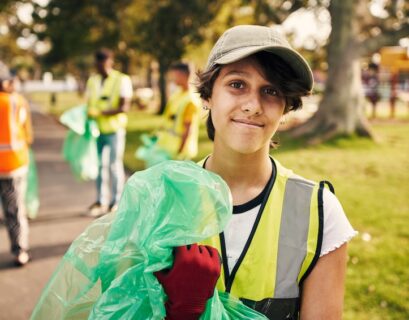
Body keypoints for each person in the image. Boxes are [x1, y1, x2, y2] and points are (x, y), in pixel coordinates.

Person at [154, 25, 357, 319]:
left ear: (286, 107)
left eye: (271, 91)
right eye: (237, 84)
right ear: (208, 96)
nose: (253, 106)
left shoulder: (320, 212)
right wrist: (181, 310)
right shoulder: (165, 199)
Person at [86, 48, 133, 217]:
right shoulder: (93, 80)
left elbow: (124, 107)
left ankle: (116, 201)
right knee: (99, 166)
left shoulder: (122, 80)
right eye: (98, 64)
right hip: (97, 131)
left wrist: (101, 113)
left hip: (115, 130)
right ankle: (101, 200)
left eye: (104, 64)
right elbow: (89, 103)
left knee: (114, 165)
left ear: (110, 63)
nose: (101, 67)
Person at [0, 72, 33, 266]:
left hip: (10, 163)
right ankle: (20, 250)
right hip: (13, 164)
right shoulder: (16, 101)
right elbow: (28, 134)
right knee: (14, 210)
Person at [157, 62, 200, 160]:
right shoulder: (177, 93)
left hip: (180, 152)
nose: (173, 78)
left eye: (175, 75)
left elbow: (188, 129)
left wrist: (180, 151)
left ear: (184, 75)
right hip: (169, 147)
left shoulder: (190, 100)